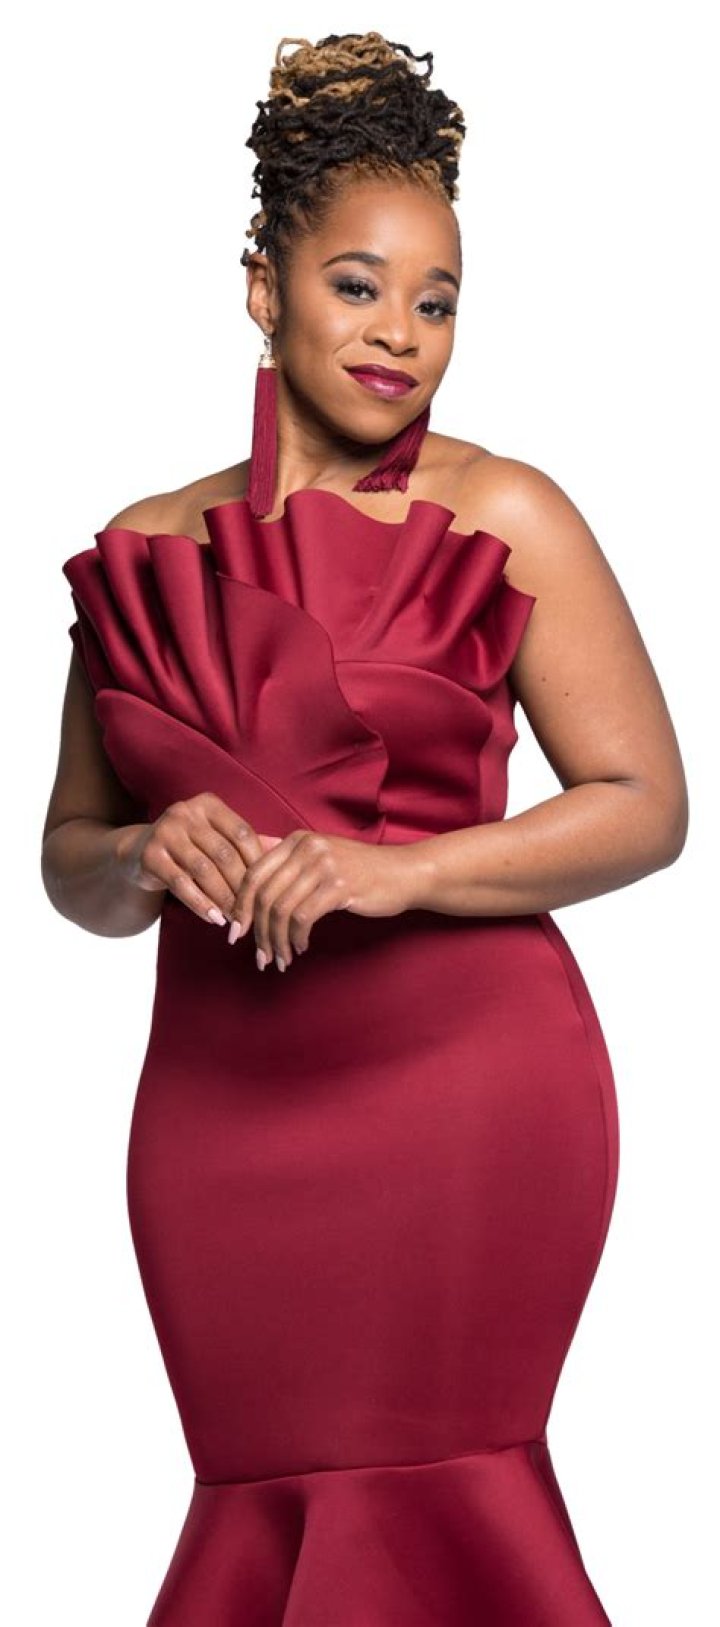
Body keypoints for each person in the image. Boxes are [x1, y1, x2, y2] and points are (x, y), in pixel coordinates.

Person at [42, 30, 688, 1627]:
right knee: (259, 1492)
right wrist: (143, 856)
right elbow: (70, 859)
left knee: (440, 1490)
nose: (402, 333)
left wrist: (396, 873)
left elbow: (646, 806)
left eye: (438, 300)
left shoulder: (505, 510)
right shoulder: (146, 547)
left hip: (462, 1095)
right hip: (217, 1115)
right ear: (261, 287)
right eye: (358, 285)